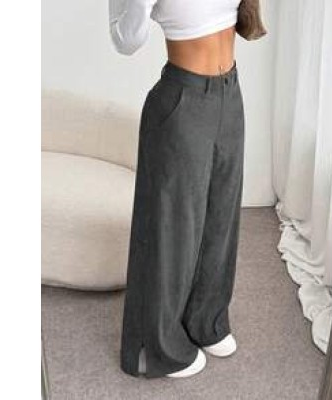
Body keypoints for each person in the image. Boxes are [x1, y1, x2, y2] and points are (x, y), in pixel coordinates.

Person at [109, 0, 245, 379]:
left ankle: (206, 320)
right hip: (182, 99)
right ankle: (156, 346)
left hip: (230, 92)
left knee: (221, 218)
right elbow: (124, 40)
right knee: (172, 229)